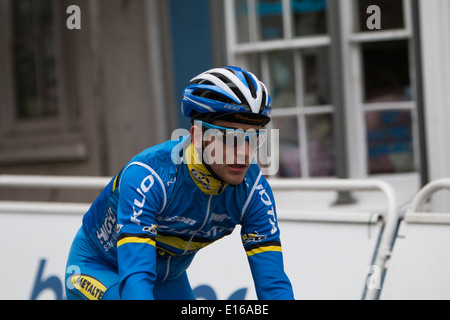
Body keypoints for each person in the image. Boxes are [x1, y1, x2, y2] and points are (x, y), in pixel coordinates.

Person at [65, 66, 294, 300]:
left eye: (254, 138)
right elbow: (136, 279)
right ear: (197, 136)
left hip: (169, 277)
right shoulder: (150, 176)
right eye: (230, 138)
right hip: (99, 266)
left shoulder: (253, 192)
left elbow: (273, 285)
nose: (245, 153)